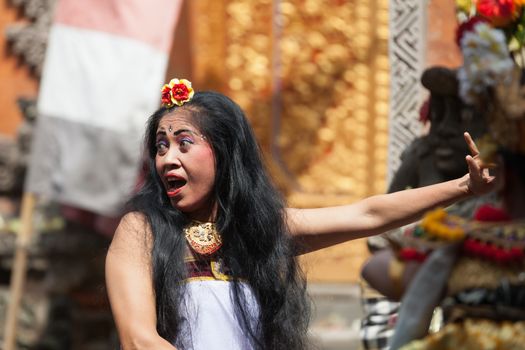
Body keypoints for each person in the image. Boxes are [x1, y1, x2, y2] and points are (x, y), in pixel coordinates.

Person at [105, 78, 495, 350]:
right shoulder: (141, 230)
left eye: (183, 143)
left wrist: (464, 187)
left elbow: (368, 215)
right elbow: (139, 340)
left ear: (224, 153)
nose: (167, 159)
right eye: (160, 146)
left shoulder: (256, 230)